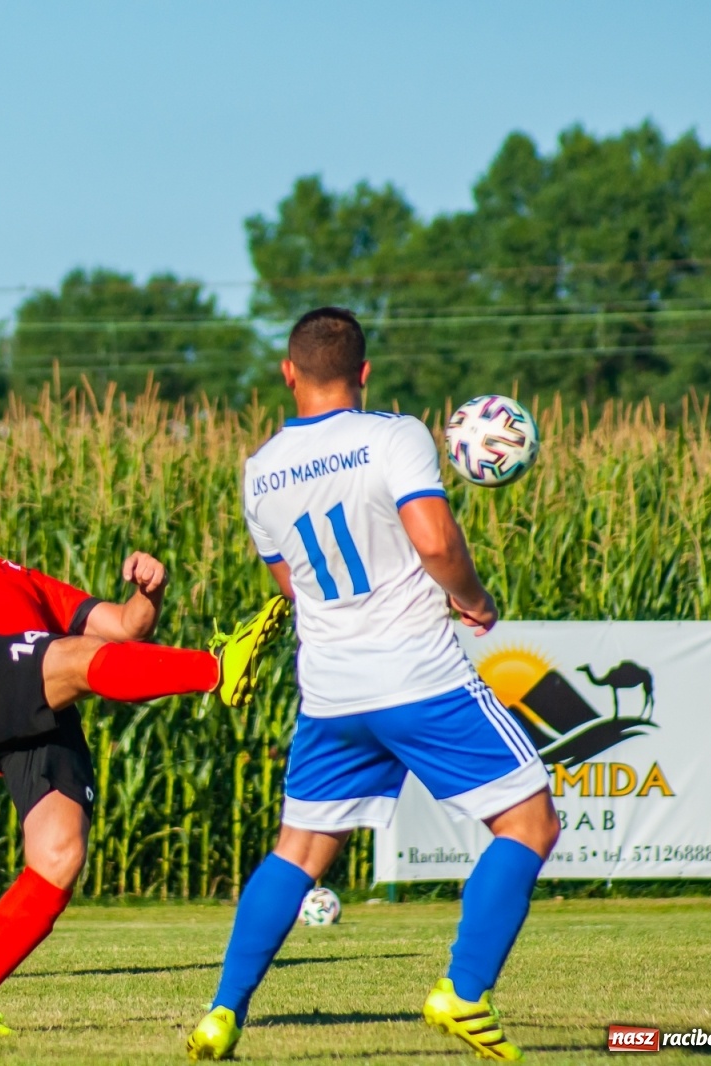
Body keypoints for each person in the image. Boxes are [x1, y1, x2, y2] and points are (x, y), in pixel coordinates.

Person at [185, 308, 559, 1062]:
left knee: (298, 851)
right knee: (530, 824)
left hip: (331, 691)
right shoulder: (396, 435)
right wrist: (474, 599)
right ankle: (463, 992)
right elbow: (435, 540)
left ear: (288, 373)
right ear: (364, 372)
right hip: (419, 675)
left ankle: (223, 1011)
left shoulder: (260, 469)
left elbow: (292, 587)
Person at [0, 461, 289, 1036]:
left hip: (38, 706)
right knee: (70, 653)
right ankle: (217, 668)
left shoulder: (22, 576)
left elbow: (126, 629)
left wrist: (150, 592)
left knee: (58, 857)